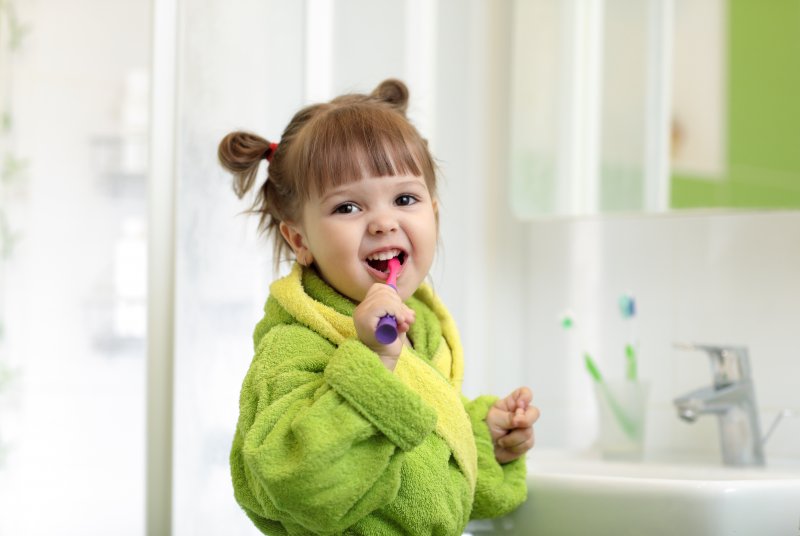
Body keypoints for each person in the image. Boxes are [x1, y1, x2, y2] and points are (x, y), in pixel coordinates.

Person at [218, 79, 540, 536]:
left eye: (405, 199)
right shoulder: (293, 346)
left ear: (435, 212)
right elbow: (295, 484)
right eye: (348, 207)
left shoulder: (421, 328)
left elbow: (424, 474)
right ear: (300, 240)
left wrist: (487, 439)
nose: (384, 222)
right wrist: (372, 362)